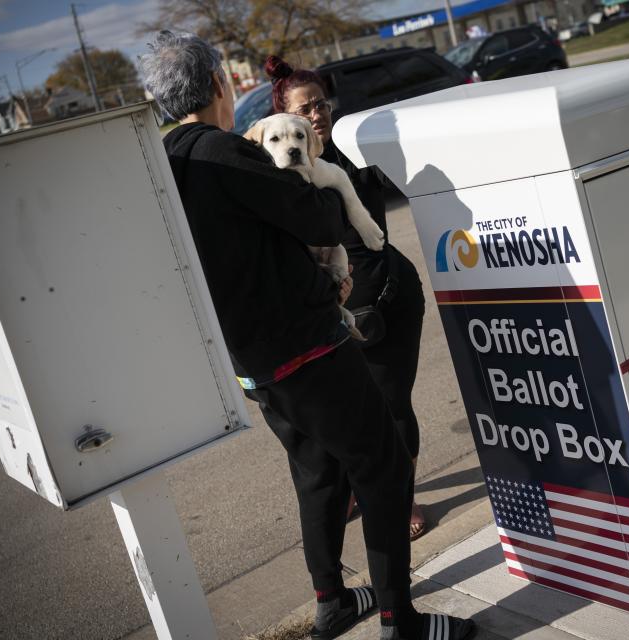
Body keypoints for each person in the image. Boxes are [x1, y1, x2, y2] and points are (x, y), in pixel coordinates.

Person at [140, 31, 473, 640]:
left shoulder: (162, 164)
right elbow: (318, 215)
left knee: (318, 472)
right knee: (384, 465)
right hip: (306, 347)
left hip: (250, 363)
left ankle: (334, 602)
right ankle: (402, 624)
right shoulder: (223, 151)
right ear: (219, 85)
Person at [264, 55, 430, 541]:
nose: (315, 115)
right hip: (333, 314)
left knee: (392, 405)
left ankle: (405, 496)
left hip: (391, 299)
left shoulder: (354, 152)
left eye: (321, 105)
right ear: (285, 119)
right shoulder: (279, 173)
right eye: (304, 109)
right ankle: (363, 488)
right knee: (346, 418)